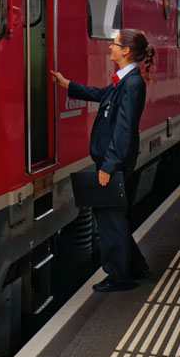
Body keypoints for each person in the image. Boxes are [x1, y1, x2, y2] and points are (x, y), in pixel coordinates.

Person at [51, 29, 154, 292]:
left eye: (115, 44)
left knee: (109, 221)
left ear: (126, 51)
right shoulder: (125, 80)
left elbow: (124, 129)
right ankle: (137, 267)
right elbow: (100, 95)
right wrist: (67, 84)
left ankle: (119, 277)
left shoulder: (132, 83)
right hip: (115, 162)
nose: (110, 47)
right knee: (114, 219)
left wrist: (108, 165)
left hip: (115, 164)